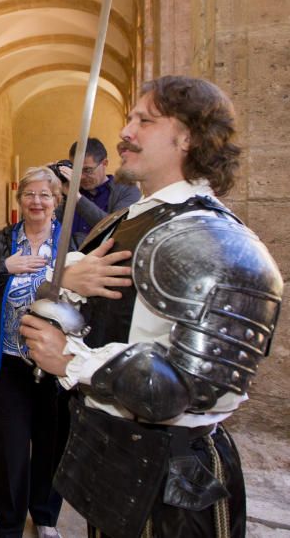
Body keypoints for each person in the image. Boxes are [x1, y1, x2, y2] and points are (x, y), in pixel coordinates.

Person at [22, 76, 283, 538]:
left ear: (188, 136)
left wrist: (71, 359)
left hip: (174, 484)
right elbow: (69, 305)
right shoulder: (130, 222)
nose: (126, 132)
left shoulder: (217, 242)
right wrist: (60, 282)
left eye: (144, 120)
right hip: (112, 458)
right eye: (130, 119)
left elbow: (192, 387)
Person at [0, 166, 70, 538]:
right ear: (18, 199)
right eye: (29, 194)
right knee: (9, 446)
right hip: (7, 363)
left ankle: (45, 515)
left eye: (45, 195)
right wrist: (3, 268)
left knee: (51, 443)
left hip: (56, 366)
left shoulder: (73, 245)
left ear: (57, 201)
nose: (36, 201)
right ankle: (8, 523)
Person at [57, 138, 141, 248]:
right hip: (68, 261)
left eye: (87, 170)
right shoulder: (66, 189)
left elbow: (115, 228)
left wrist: (77, 198)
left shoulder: (128, 190)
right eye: (77, 170)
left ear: (104, 163)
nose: (81, 176)